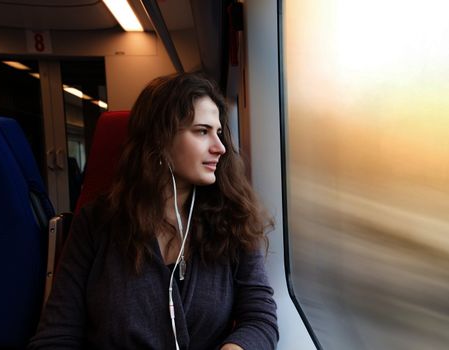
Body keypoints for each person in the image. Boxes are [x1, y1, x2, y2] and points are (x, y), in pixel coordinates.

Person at [28, 73, 279, 350]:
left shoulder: (234, 219)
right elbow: (55, 338)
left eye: (218, 132)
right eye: (202, 131)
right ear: (160, 139)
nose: (220, 147)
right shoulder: (96, 223)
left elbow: (259, 318)